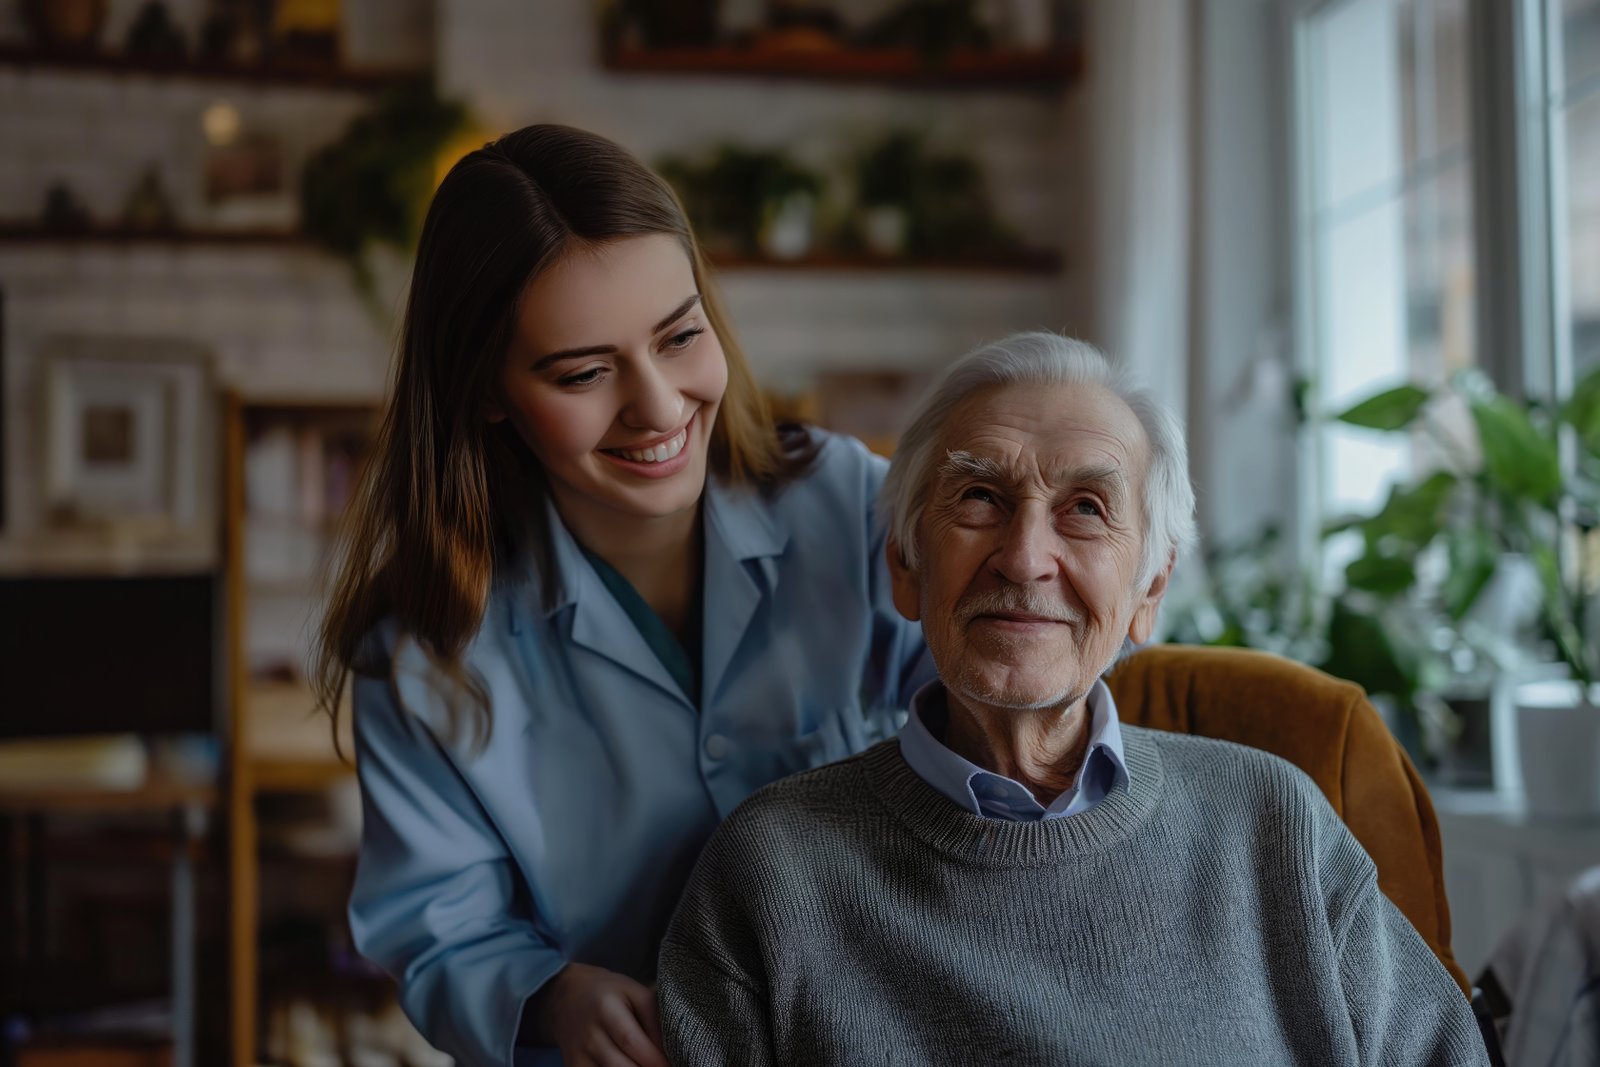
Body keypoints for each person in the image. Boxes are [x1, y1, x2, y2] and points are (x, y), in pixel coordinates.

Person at [656, 331, 1490, 1066]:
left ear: (1149, 589)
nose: (1025, 557)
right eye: (980, 497)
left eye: (1086, 508)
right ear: (905, 564)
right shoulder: (770, 870)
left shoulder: (1278, 825)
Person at [312, 124, 931, 1067]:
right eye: (584, 373)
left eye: (680, 337)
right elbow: (440, 930)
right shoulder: (422, 647)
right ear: (486, 389)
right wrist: (553, 998)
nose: (659, 406)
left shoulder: (846, 504)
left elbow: (1006, 723)